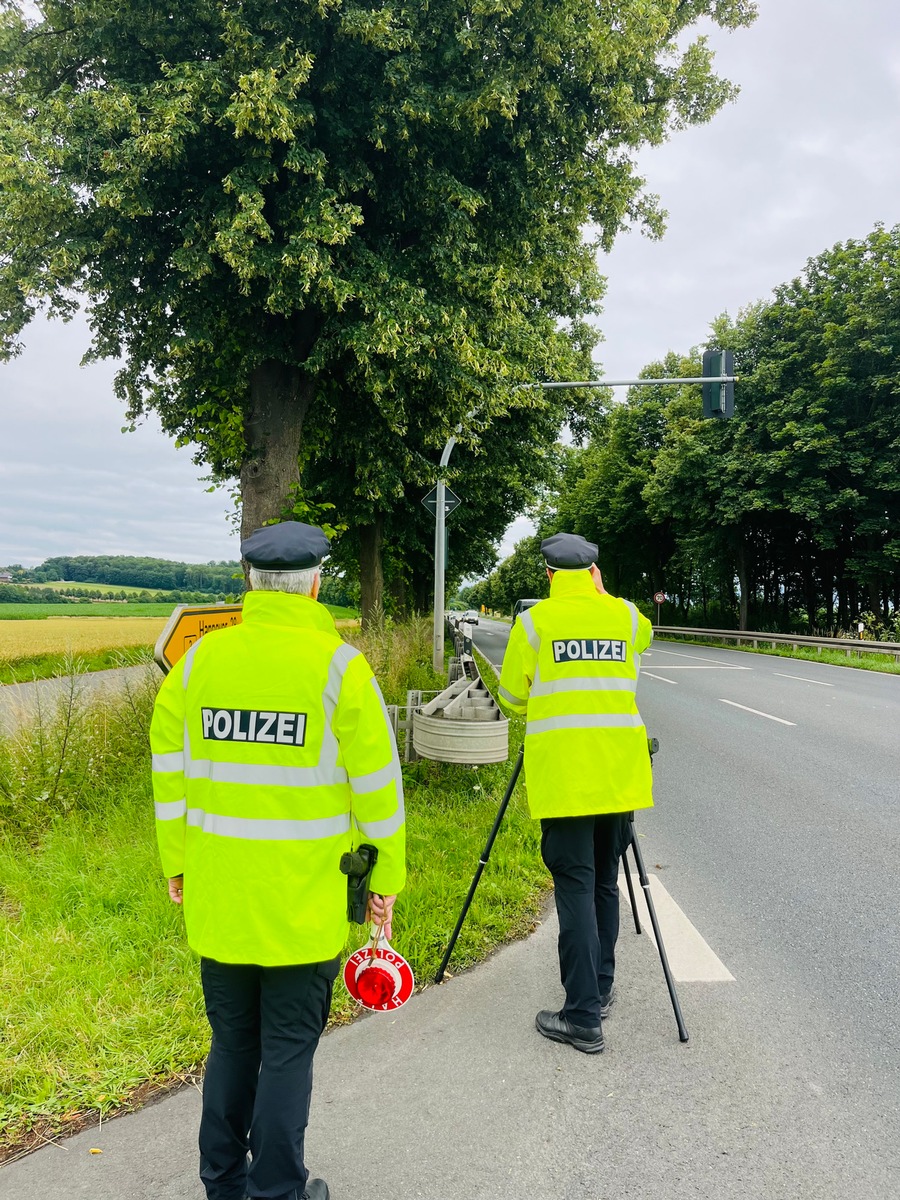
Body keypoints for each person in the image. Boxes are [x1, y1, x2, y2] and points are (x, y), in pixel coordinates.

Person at [150, 521, 406, 1200]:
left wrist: (177, 861)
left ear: (250, 583)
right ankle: (279, 1193)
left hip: (222, 898)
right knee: (288, 1051)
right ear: (317, 583)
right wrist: (384, 881)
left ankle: (224, 1183)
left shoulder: (199, 664)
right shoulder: (341, 669)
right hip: (303, 905)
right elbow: (380, 789)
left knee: (233, 1044)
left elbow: (169, 773)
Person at [497, 532, 653, 1054]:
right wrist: (604, 597)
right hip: (618, 775)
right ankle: (601, 989)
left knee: (576, 887)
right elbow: (646, 637)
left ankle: (582, 1015)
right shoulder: (626, 615)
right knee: (605, 881)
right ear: (594, 572)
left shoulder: (535, 623)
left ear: (547, 576)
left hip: (566, 778)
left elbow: (513, 697)